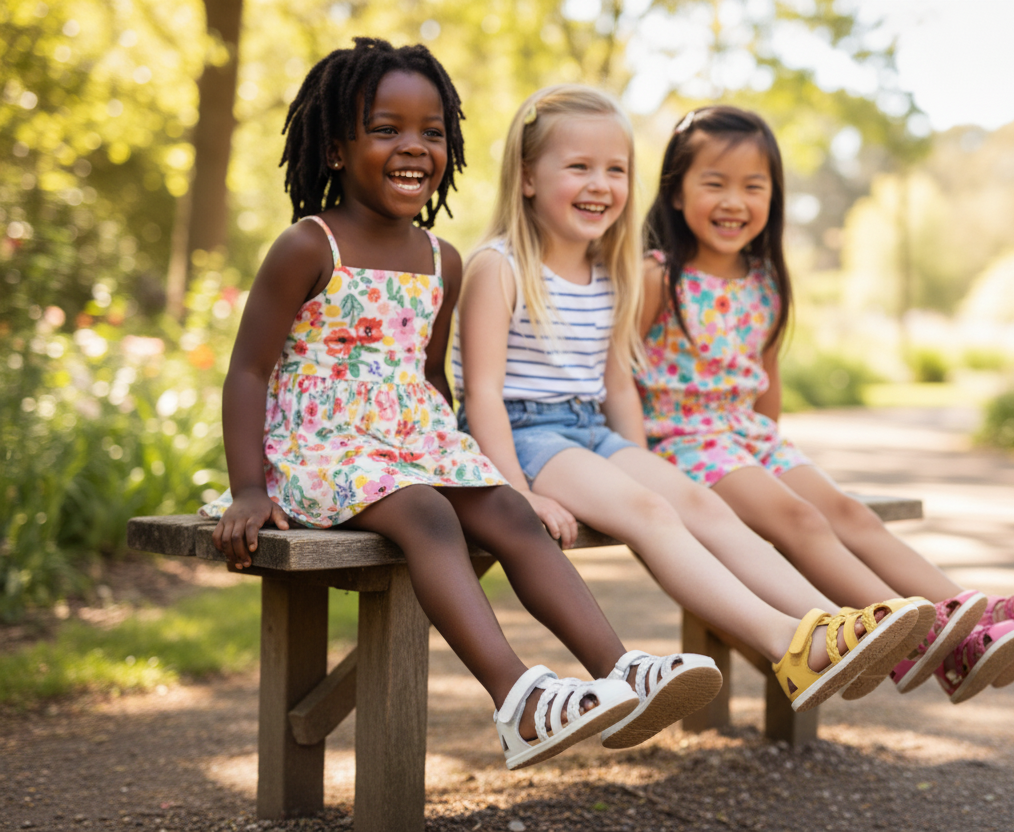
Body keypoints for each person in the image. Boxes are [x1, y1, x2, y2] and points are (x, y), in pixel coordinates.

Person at [200, 39, 722, 770]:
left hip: (412, 442)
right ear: (335, 148)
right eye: (386, 129)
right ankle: (518, 700)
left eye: (433, 132)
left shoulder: (442, 259)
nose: (414, 147)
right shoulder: (307, 245)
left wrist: (482, 469)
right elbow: (248, 371)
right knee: (427, 511)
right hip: (324, 449)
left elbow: (432, 382)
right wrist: (248, 489)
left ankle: (622, 671)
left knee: (506, 508)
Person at [454, 84, 926, 717]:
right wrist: (518, 494)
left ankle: (828, 627)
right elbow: (480, 396)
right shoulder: (498, 266)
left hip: (594, 432)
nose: (600, 184)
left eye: (616, 170)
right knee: (650, 511)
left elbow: (617, 384)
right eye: (579, 167)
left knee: (697, 502)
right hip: (527, 435)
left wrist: (643, 461)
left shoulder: (610, 268)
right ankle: (785, 642)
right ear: (527, 177)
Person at [635, 105, 1014, 704]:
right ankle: (917, 641)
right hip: (681, 441)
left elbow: (765, 389)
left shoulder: (763, 278)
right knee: (802, 521)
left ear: (775, 195)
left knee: (849, 513)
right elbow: (617, 374)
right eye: (713, 183)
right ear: (676, 191)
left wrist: (773, 467)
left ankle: (971, 625)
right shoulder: (656, 276)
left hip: (747, 440)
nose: (733, 201)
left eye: (753, 186)